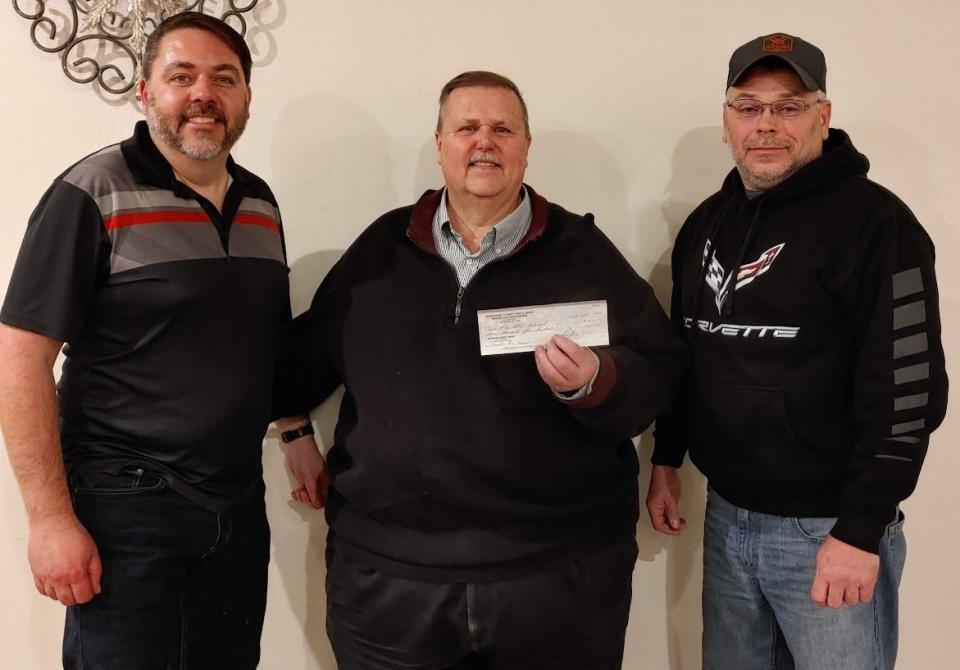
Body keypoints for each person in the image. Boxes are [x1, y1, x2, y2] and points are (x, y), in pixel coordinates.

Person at [273, 70, 687, 670]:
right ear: (440, 143)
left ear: (525, 146)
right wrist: (293, 431)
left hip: (558, 577)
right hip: (391, 583)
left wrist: (594, 382)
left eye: (502, 128)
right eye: (467, 128)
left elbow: (660, 374)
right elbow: (295, 361)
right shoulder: (381, 250)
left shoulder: (581, 252)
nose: (484, 142)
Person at [646, 33, 948, 670]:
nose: (766, 126)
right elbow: (685, 352)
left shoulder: (879, 226)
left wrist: (860, 529)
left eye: (788, 107)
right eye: (748, 106)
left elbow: (910, 390)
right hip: (729, 519)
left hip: (828, 529)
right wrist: (667, 457)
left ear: (823, 115)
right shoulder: (706, 224)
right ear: (726, 120)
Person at [0, 12, 289, 669]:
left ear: (245, 98)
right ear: (145, 92)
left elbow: (262, 341)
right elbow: (18, 355)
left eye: (224, 78)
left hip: (237, 506)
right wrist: (48, 520)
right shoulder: (92, 192)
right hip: (126, 511)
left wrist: (295, 432)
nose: (202, 94)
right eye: (180, 76)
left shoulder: (261, 203)